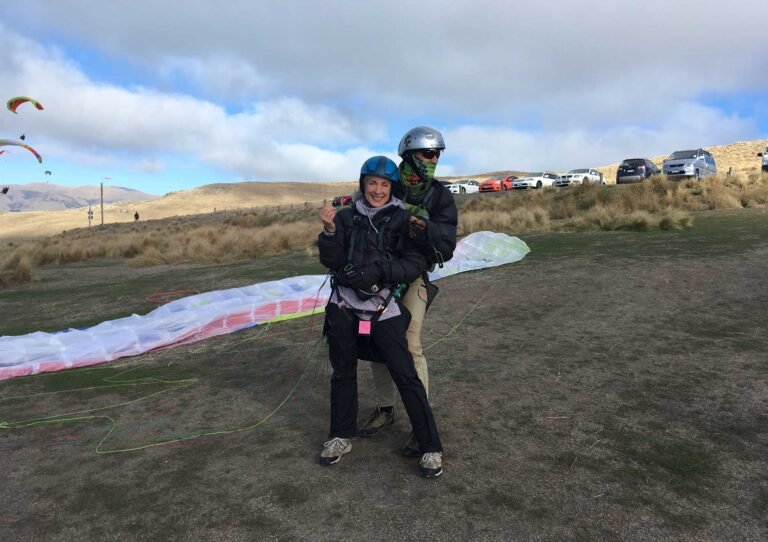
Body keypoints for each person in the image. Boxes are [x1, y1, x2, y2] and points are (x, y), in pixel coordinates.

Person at [318, 155, 444, 478]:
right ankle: (339, 436)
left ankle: (430, 446)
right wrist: (330, 232)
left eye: (384, 185)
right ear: (363, 185)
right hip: (344, 306)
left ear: (392, 187)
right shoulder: (346, 218)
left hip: (383, 306)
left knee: (405, 372)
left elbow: (415, 263)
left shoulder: (403, 221)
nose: (377, 190)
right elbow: (330, 260)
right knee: (342, 372)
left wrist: (380, 270)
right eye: (372, 183)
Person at [357, 126, 458, 458]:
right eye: (428, 154)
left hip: (414, 278)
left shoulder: (440, 197)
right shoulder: (386, 186)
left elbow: (447, 247)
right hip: (378, 280)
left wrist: (425, 228)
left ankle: (421, 421)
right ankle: (386, 410)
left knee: (410, 345)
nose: (434, 160)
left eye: (437, 155)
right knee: (375, 345)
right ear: (410, 157)